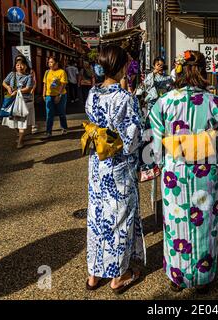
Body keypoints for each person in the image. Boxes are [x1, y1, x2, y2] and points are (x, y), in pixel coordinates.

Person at [149, 50, 218, 293]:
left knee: (176, 223)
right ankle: (203, 277)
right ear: (204, 71)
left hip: (174, 173)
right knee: (205, 225)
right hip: (206, 171)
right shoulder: (216, 102)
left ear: (179, 71)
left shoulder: (164, 102)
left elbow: (157, 142)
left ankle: (177, 277)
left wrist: (160, 162)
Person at [85, 44, 144, 293]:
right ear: (121, 66)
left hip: (97, 163)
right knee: (119, 217)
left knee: (97, 215)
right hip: (118, 165)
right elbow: (131, 139)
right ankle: (119, 275)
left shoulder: (93, 93)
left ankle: (94, 272)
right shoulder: (125, 98)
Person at [2, 55, 35, 149]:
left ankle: (20, 141)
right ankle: (20, 135)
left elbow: (28, 89)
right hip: (13, 101)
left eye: (22, 65)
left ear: (25, 65)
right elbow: (4, 82)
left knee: (22, 122)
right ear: (15, 66)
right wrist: (8, 87)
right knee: (12, 120)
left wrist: (17, 91)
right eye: (17, 65)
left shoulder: (29, 76)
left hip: (25, 102)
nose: (19, 67)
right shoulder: (12, 74)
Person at [42, 56, 69, 138]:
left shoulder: (61, 72)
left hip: (60, 95)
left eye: (52, 62)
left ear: (56, 63)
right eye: (49, 62)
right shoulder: (47, 72)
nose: (50, 64)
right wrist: (44, 94)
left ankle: (64, 128)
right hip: (49, 95)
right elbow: (45, 84)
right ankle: (48, 131)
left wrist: (59, 95)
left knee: (61, 113)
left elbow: (63, 84)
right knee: (49, 114)